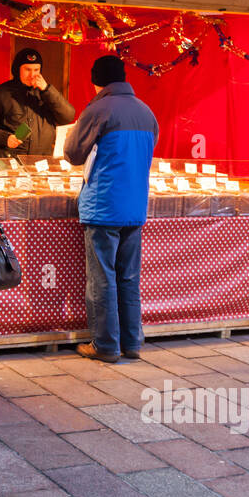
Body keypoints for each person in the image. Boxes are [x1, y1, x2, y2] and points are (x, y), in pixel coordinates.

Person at [64, 56, 158, 363]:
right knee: (129, 277)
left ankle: (105, 345)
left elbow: (73, 154)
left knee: (102, 278)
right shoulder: (146, 112)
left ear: (97, 80)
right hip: (135, 206)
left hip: (103, 206)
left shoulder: (98, 109)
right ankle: (132, 342)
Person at [0, 47, 76, 158]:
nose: (32, 75)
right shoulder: (0, 93)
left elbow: (68, 116)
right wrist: (5, 138)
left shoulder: (48, 93)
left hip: (40, 162)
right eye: (27, 70)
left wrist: (47, 90)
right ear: (17, 69)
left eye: (36, 70)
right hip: (9, 161)